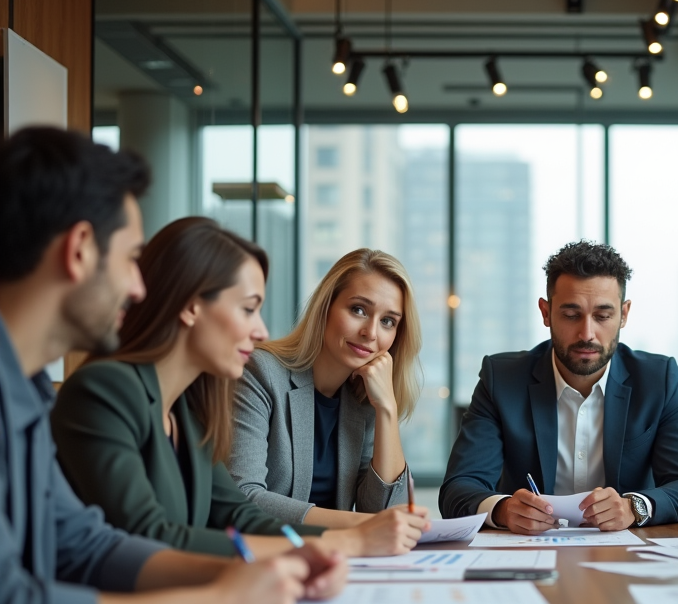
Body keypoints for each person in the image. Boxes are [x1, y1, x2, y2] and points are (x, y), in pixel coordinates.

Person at [0, 127, 344, 604]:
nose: (139, 288)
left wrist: (260, 568)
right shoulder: (98, 390)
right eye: (130, 258)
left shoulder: (27, 392)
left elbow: (85, 545)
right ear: (80, 249)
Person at [52, 219, 427, 559]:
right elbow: (150, 536)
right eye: (248, 309)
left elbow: (236, 513)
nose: (261, 331)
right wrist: (347, 540)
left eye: (389, 322)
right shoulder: (106, 390)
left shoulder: (189, 405)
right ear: (193, 307)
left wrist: (386, 409)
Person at [439, 241, 678, 533]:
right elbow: (458, 489)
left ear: (624, 314)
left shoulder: (659, 379)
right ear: (546, 312)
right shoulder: (502, 379)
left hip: (623, 557)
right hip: (528, 554)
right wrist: (504, 509)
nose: (587, 334)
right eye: (571, 315)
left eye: (603, 316)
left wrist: (634, 507)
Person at [229, 249, 421, 530]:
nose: (371, 332)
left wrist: (387, 409)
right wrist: (361, 525)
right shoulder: (260, 372)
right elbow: (244, 497)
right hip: (266, 557)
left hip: (337, 560)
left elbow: (386, 510)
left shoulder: (364, 399)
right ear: (325, 307)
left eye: (387, 321)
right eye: (358, 310)